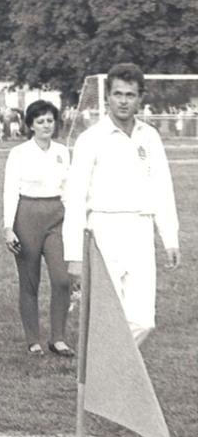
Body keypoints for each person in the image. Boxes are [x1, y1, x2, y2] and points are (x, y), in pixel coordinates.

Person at [62, 63, 181, 345]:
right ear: (108, 96)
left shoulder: (149, 137)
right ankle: (105, 383)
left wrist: (170, 238)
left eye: (130, 94)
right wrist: (74, 255)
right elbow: (75, 197)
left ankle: (110, 372)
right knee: (106, 315)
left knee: (143, 320)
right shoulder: (90, 139)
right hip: (104, 229)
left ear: (140, 97)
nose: (124, 101)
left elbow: (163, 187)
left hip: (141, 229)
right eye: (118, 94)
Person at [2, 99, 73, 356]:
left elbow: (68, 190)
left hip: (56, 216)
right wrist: (8, 227)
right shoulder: (19, 153)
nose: (46, 125)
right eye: (40, 121)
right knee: (30, 282)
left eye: (50, 120)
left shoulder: (62, 152)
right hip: (27, 217)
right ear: (30, 125)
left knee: (62, 279)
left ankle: (58, 338)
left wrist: (74, 221)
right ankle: (33, 339)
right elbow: (10, 191)